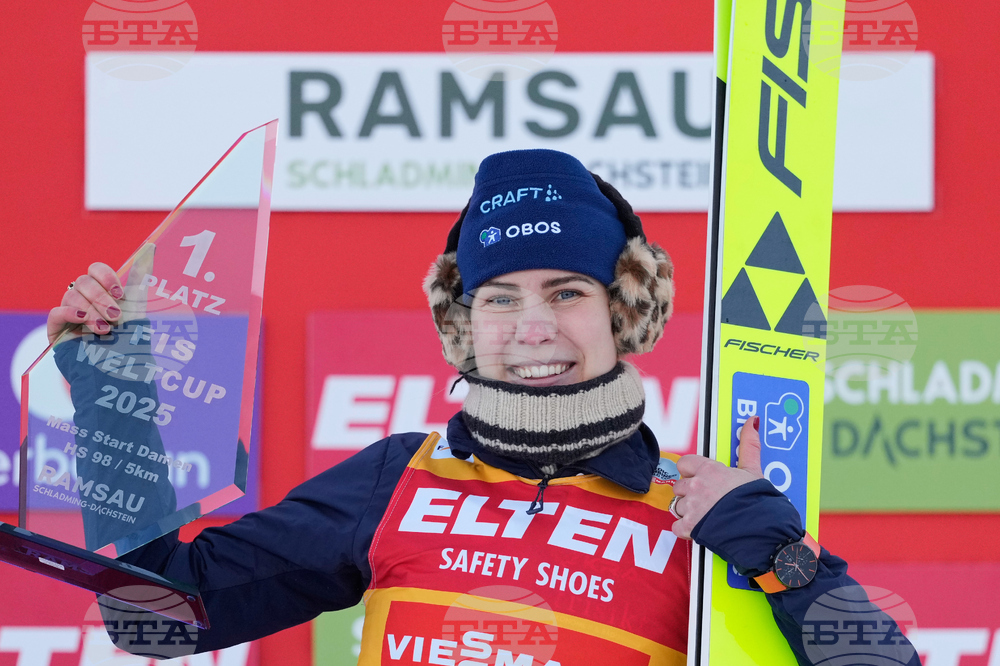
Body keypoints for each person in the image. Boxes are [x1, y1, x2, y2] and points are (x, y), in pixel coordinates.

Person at [49, 149, 919, 665]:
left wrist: (785, 561)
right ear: (463, 324)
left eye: (568, 291)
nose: (533, 327)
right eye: (499, 298)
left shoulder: (703, 504)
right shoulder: (401, 477)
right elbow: (154, 618)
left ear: (626, 310)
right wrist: (110, 396)